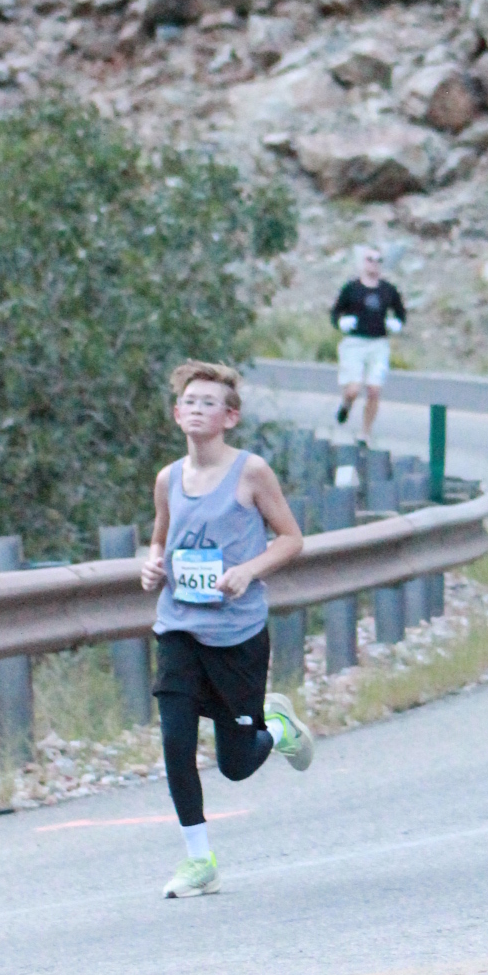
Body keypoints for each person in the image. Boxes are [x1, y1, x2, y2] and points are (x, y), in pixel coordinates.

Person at [139, 361, 316, 898]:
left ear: (230, 417)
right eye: (190, 402)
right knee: (175, 740)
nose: (197, 409)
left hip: (236, 634)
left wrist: (248, 571)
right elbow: (161, 537)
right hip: (179, 626)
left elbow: (291, 539)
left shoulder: (251, 472)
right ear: (177, 414)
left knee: (236, 764)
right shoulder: (168, 479)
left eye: (209, 403)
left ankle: (276, 728)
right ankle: (200, 861)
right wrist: (152, 563)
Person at [331, 243, 405, 441]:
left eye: (378, 260)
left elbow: (400, 312)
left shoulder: (388, 290)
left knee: (374, 390)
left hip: (378, 343)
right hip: (355, 343)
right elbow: (336, 312)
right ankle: (346, 404)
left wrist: (397, 323)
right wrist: (341, 322)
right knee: (353, 389)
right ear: (363, 262)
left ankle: (365, 432)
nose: (374, 264)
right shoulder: (351, 288)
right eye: (370, 260)